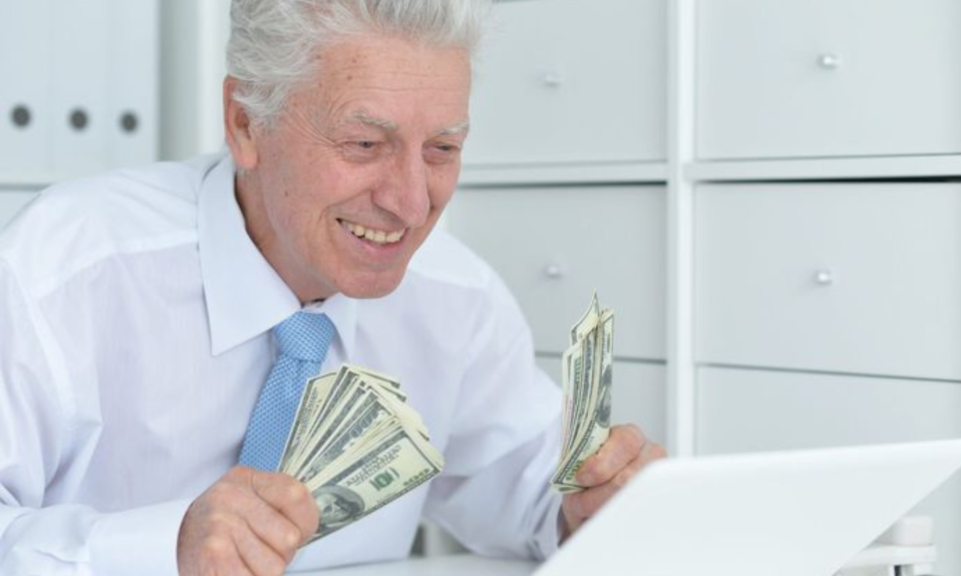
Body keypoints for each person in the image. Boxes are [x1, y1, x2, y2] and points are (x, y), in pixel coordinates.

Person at [0, 1, 666, 575]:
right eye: (364, 144)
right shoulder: (61, 273)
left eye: (441, 150)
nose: (410, 205)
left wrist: (586, 508)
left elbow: (524, 483)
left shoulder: (458, 300)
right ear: (245, 124)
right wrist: (160, 550)